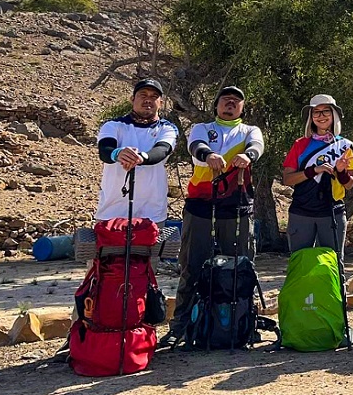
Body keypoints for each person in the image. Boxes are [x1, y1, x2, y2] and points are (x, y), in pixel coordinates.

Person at [168, 85, 265, 343]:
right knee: (192, 266)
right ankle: (181, 326)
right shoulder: (202, 128)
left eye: (236, 101)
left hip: (237, 208)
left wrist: (248, 155)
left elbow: (257, 146)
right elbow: (195, 146)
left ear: (242, 108)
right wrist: (209, 154)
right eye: (225, 99)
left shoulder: (250, 130)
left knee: (241, 267)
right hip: (201, 206)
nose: (230, 103)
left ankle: (243, 324)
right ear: (216, 105)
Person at [283, 94, 353, 270]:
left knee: (333, 264)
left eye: (326, 111)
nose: (321, 116)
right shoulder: (300, 144)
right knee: (299, 264)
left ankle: (337, 290)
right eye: (316, 112)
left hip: (332, 212)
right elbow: (287, 179)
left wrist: (341, 171)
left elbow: (349, 184)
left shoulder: (345, 145)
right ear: (311, 117)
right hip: (301, 212)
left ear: (334, 115)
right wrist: (313, 171)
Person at [95, 78, 179, 225]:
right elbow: (105, 151)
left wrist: (140, 158)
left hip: (152, 212)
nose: (148, 100)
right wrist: (118, 154)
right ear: (132, 99)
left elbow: (162, 150)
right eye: (143, 95)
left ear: (161, 103)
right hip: (111, 210)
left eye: (154, 96)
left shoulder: (168, 128)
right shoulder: (113, 125)